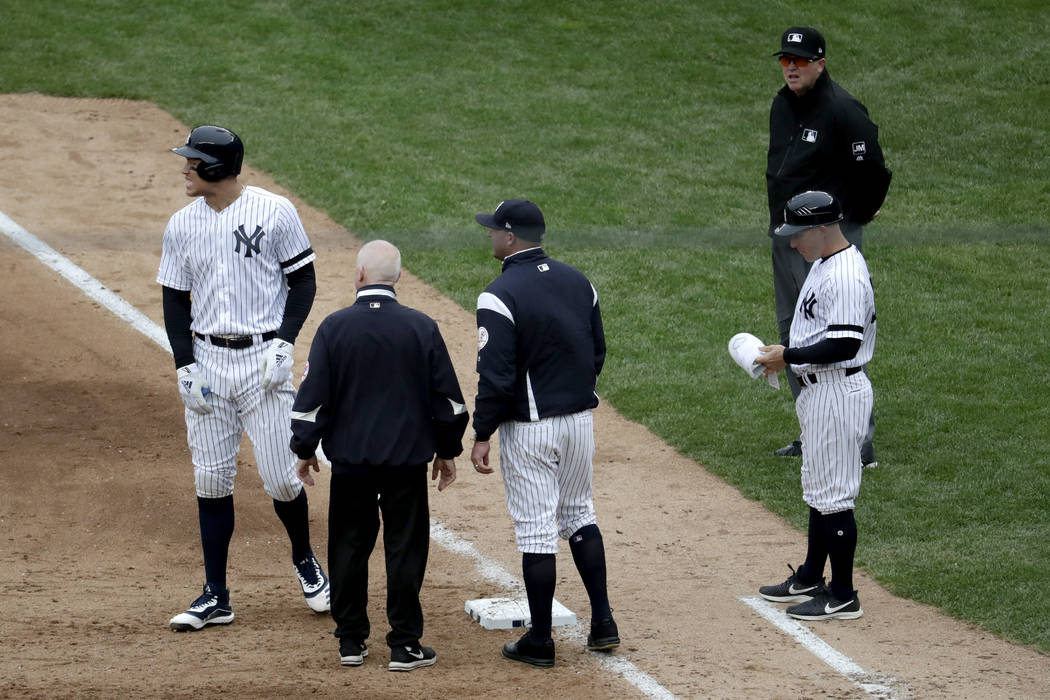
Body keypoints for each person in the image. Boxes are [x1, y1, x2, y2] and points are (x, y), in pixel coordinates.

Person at [159, 125, 330, 632]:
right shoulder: (181, 224)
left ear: (217, 167)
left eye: (193, 161)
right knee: (211, 480)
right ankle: (216, 594)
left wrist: (284, 341)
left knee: (282, 478)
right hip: (209, 363)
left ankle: (304, 560)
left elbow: (303, 279)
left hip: (263, 363)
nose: (185, 168)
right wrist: (185, 364)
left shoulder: (274, 212)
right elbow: (174, 297)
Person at [289, 240, 468, 671]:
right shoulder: (421, 327)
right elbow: (450, 403)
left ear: (360, 275)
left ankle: (351, 641)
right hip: (406, 465)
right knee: (404, 549)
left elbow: (312, 401)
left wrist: (305, 447)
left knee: (348, 546)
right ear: (398, 278)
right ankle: (404, 645)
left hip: (351, 464)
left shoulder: (334, 328)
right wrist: (447, 450)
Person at [469, 199, 619, 668]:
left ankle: (541, 641)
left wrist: (482, 432)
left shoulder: (498, 294)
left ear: (511, 237)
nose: (490, 235)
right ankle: (604, 622)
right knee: (579, 514)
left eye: (494, 230)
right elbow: (598, 350)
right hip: (579, 422)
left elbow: (495, 377)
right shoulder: (579, 282)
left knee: (536, 531)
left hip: (531, 431)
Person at [766, 25, 890, 465]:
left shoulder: (842, 109)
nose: (791, 68)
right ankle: (814, 428)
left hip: (825, 239)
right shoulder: (783, 105)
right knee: (793, 332)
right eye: (785, 60)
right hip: (787, 235)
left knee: (834, 333)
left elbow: (874, 168)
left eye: (800, 61)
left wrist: (857, 213)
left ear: (820, 63)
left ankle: (859, 443)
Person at [754, 190, 876, 620]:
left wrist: (787, 356)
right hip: (820, 391)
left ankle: (842, 593)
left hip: (837, 392)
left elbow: (845, 341)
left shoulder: (844, 274)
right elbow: (818, 331)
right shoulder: (824, 262)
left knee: (835, 496)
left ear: (822, 229)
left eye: (797, 234)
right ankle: (810, 575)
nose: (791, 243)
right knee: (819, 489)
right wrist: (785, 351)